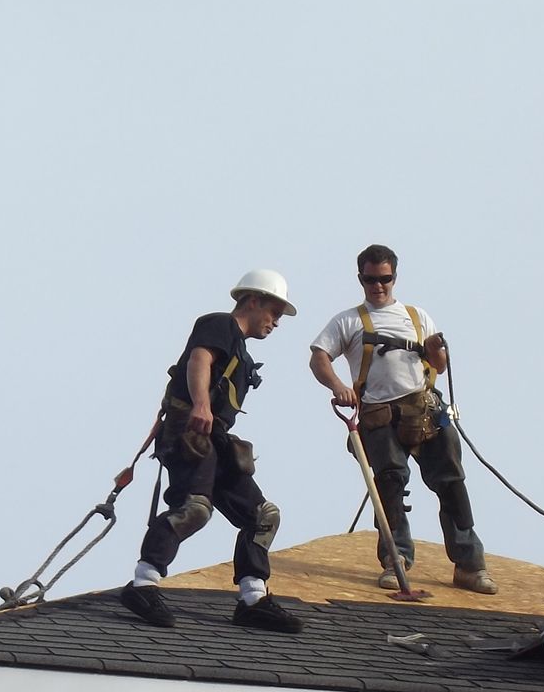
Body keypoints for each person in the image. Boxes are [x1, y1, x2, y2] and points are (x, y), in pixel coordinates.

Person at [119, 269, 306, 633]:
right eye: (274, 311)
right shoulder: (220, 324)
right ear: (253, 301)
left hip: (214, 439)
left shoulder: (241, 351)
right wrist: (201, 405)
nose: (276, 321)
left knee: (263, 515)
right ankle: (143, 583)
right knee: (194, 508)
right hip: (190, 431)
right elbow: (199, 359)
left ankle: (253, 599)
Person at [307, 245, 496, 594]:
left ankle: (470, 565)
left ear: (395, 277)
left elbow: (438, 366)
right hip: (380, 416)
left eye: (385, 279)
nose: (378, 286)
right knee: (390, 485)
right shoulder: (348, 321)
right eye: (370, 280)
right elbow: (319, 357)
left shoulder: (416, 316)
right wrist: (339, 386)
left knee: (452, 483)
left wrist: (436, 351)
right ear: (360, 279)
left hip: (424, 411)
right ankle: (397, 561)